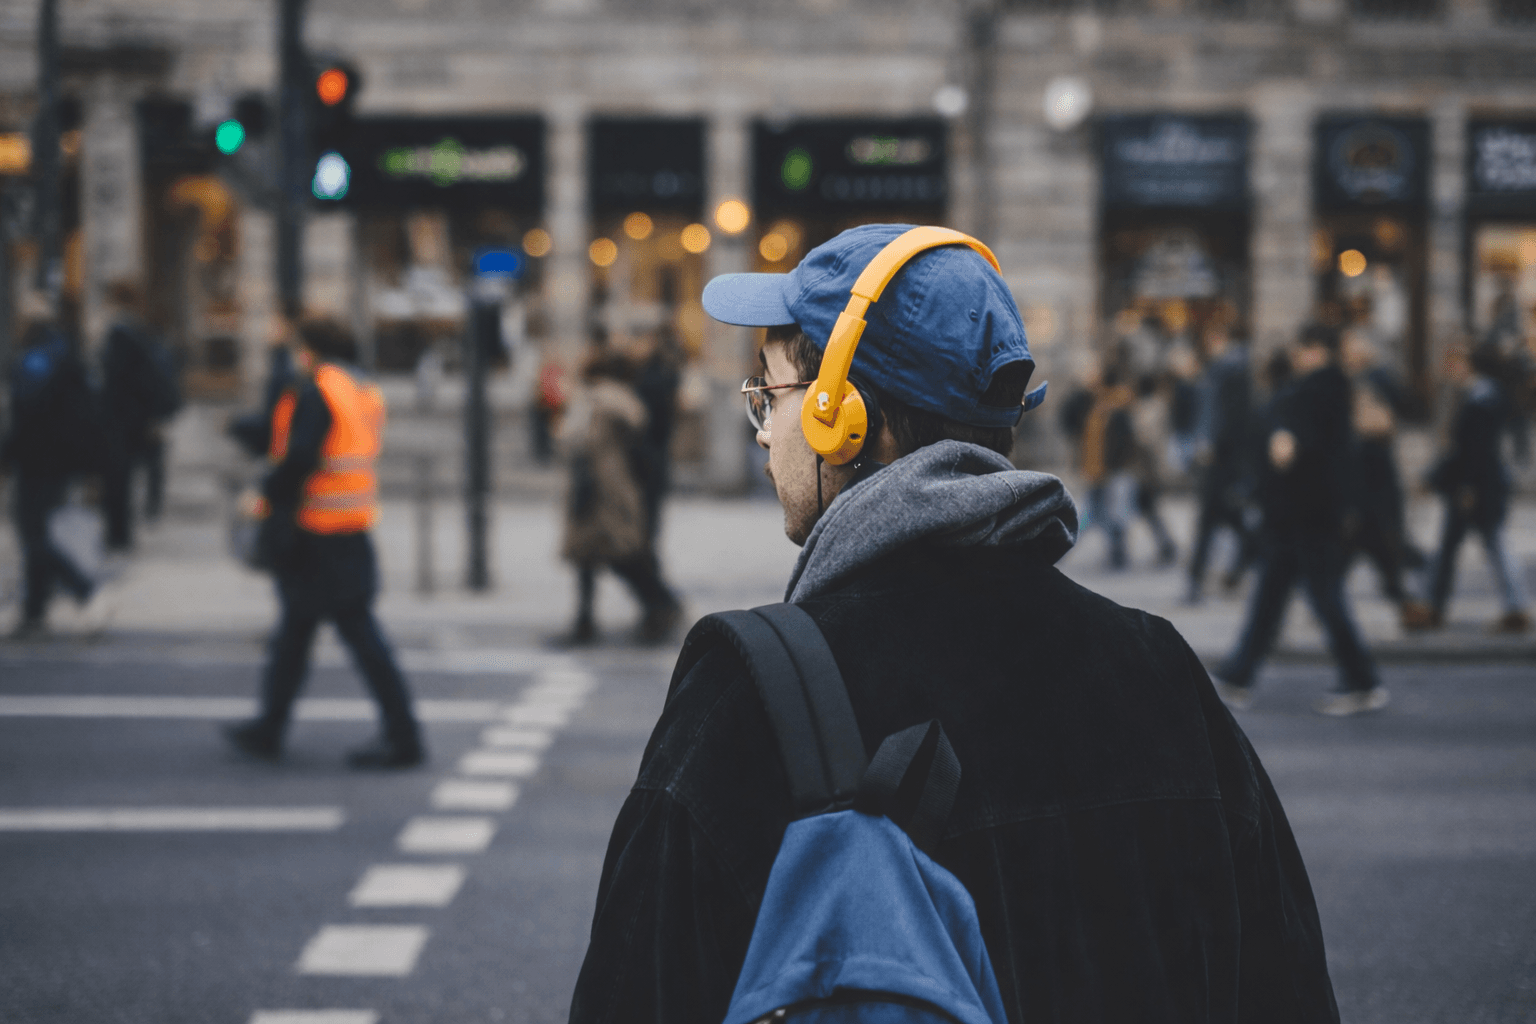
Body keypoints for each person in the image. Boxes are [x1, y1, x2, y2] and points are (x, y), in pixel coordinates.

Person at [569, 224, 1339, 1024]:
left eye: (771, 392)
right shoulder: (1162, 673)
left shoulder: (751, 689)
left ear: (843, 415)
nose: (762, 428)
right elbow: (1287, 987)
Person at [223, 319, 424, 767]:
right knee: (297, 633)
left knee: (355, 635)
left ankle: (403, 734)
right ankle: (270, 726)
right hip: (349, 524)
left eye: (300, 347)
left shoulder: (318, 388)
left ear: (310, 348)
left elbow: (300, 455)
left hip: (316, 529)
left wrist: (266, 493)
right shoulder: (361, 388)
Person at [1214, 324, 1387, 716]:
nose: (1296, 357)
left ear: (1313, 350)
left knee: (1323, 600)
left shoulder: (1315, 389)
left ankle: (1362, 680)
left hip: (1304, 516)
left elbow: (1289, 448)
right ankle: (1237, 675)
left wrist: (1283, 440)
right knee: (1273, 597)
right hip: (1307, 515)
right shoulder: (1335, 388)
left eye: (1301, 349)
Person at [555, 349, 681, 646]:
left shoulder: (594, 401)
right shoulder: (625, 402)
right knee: (603, 556)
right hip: (615, 488)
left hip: (598, 491)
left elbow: (571, 438)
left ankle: (661, 606)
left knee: (614, 556)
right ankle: (650, 609)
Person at [1405, 342, 1530, 633]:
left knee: (1487, 543)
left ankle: (1512, 607)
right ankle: (1435, 604)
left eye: (1453, 363)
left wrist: (1464, 486)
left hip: (1475, 487)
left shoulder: (1482, 398)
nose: (1449, 369)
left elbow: (1475, 450)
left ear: (1467, 364)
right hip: (1472, 485)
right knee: (1464, 546)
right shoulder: (1477, 395)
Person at [2, 321, 111, 636]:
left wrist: (6, 455)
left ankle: (84, 590)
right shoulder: (66, 356)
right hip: (60, 461)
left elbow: (27, 410)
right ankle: (34, 611)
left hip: (38, 460)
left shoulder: (37, 359)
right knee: (37, 534)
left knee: (33, 535)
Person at [1340, 329, 1425, 615]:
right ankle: (1403, 597)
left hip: (1374, 479)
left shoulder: (1376, 377)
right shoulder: (1353, 380)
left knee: (1377, 545)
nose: (1350, 353)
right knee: (1371, 548)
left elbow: (1399, 410)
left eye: (1354, 347)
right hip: (1363, 480)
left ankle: (1404, 596)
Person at [99, 280, 182, 550]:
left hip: (122, 419)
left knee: (118, 478)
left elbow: (116, 381)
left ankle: (119, 534)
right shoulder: (140, 334)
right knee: (135, 472)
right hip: (137, 417)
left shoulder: (120, 336)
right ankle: (136, 520)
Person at [1186, 322, 1254, 603]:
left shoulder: (1229, 370)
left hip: (1223, 462)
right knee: (1228, 521)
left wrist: (1209, 443)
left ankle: (1198, 580)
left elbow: (1227, 416)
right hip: (1225, 461)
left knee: (1214, 521)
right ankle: (1212, 576)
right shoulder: (1226, 370)